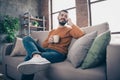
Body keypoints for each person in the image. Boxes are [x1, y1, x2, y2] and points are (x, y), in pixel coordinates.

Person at [17, 10, 85, 80]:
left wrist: (71, 23)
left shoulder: (69, 29)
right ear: (58, 17)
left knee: (29, 58)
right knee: (26, 38)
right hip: (47, 50)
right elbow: (44, 45)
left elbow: (81, 34)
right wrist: (49, 41)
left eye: (66, 16)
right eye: (62, 15)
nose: (63, 17)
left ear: (67, 19)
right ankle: (36, 56)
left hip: (59, 53)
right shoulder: (52, 31)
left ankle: (35, 57)